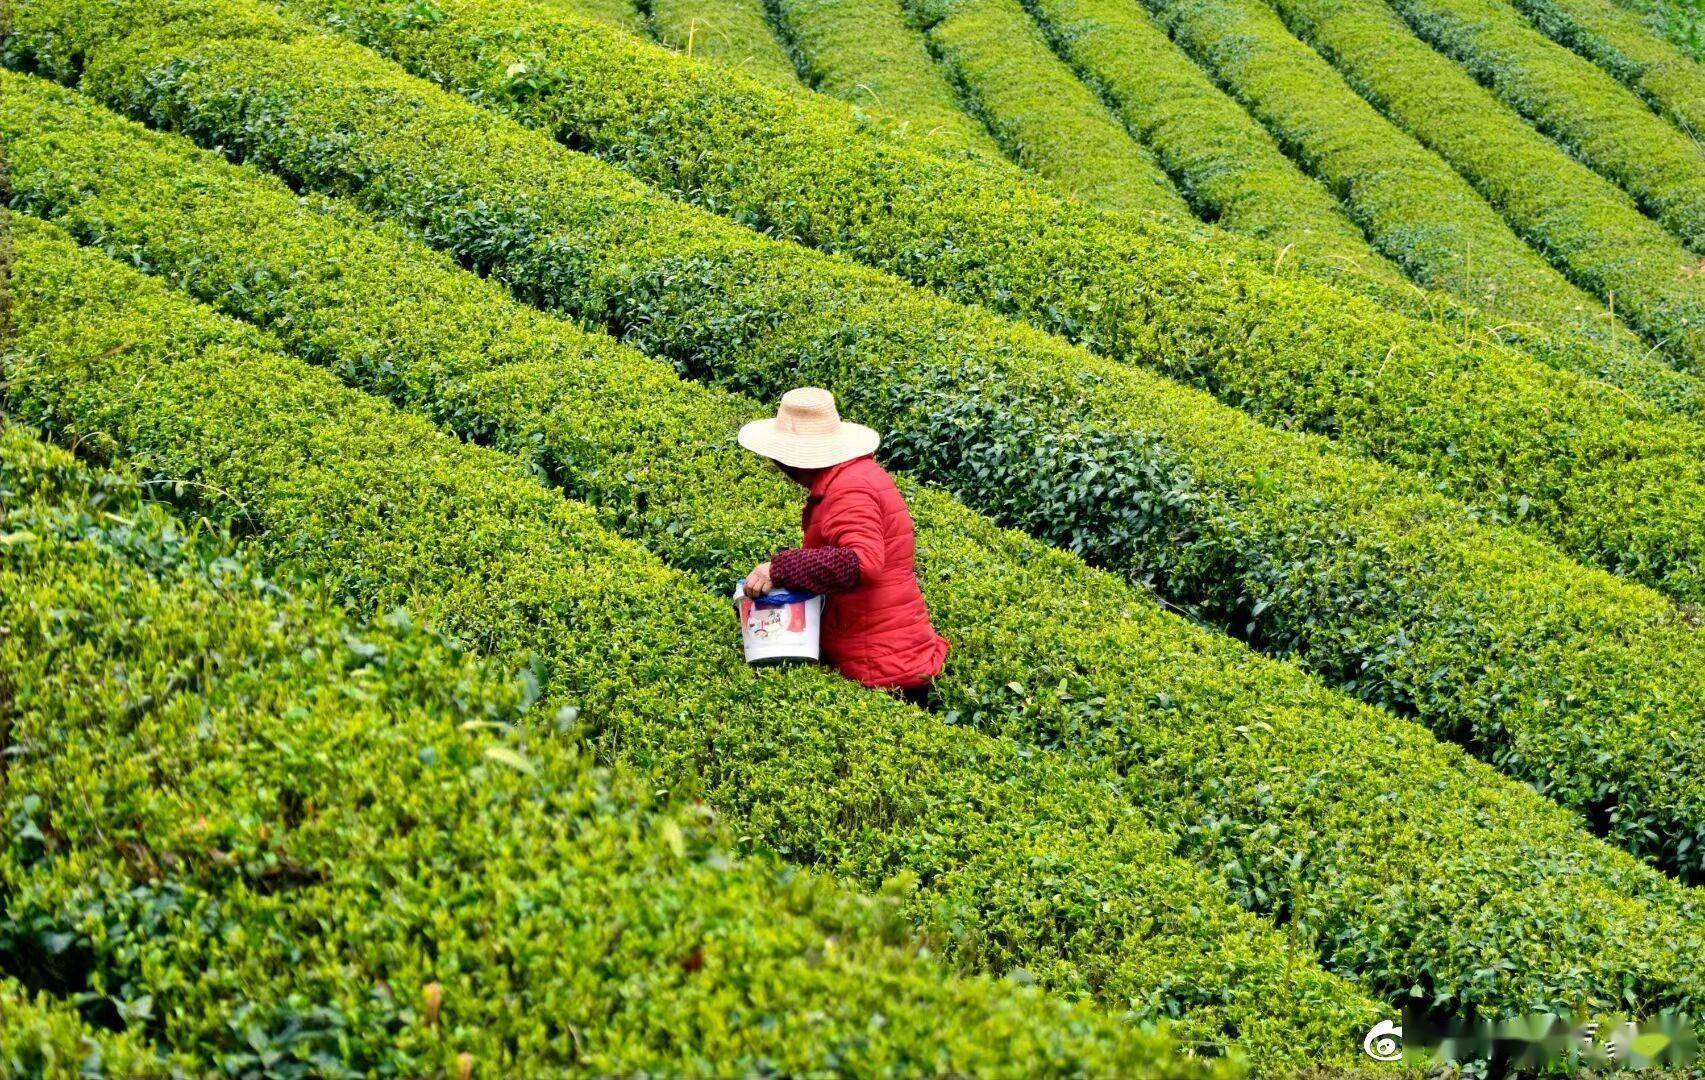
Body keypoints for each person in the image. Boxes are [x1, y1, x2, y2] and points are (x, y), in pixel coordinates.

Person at [738, 387, 949, 702]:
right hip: (891, 651)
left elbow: (860, 562)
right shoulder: (855, 475)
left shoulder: (850, 488)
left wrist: (778, 569)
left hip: (880, 665)